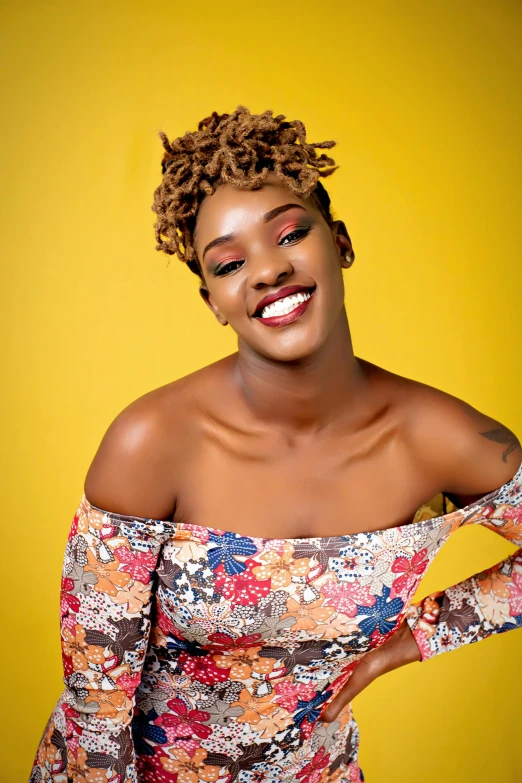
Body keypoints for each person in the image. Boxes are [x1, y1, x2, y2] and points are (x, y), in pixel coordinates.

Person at [31, 106, 522, 783]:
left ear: (340, 242)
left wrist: (413, 640)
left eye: (289, 233)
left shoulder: (443, 437)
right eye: (231, 263)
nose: (266, 270)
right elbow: (97, 704)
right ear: (214, 300)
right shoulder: (151, 442)